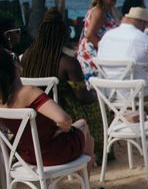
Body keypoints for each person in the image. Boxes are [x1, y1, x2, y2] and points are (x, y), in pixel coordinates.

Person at [20, 10, 104, 164]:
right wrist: (96, 95)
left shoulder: (26, 56)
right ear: (63, 36)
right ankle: (97, 152)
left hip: (36, 114)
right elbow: (82, 97)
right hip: (61, 113)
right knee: (100, 108)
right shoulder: (67, 63)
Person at [0, 48, 95, 174]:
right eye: (13, 57)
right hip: (53, 154)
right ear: (12, 66)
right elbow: (64, 119)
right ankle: (84, 187)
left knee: (85, 139)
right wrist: (62, 129)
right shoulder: (29, 92)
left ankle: (87, 169)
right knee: (83, 125)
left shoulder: (2, 102)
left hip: (27, 158)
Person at [97, 7, 148, 100]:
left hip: (108, 93)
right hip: (136, 94)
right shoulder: (145, 40)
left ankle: (138, 112)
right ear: (143, 23)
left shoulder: (107, 36)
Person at [76, 0, 121, 85]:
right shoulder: (99, 11)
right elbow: (90, 35)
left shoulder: (104, 11)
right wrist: (104, 49)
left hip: (94, 50)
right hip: (93, 52)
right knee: (97, 85)